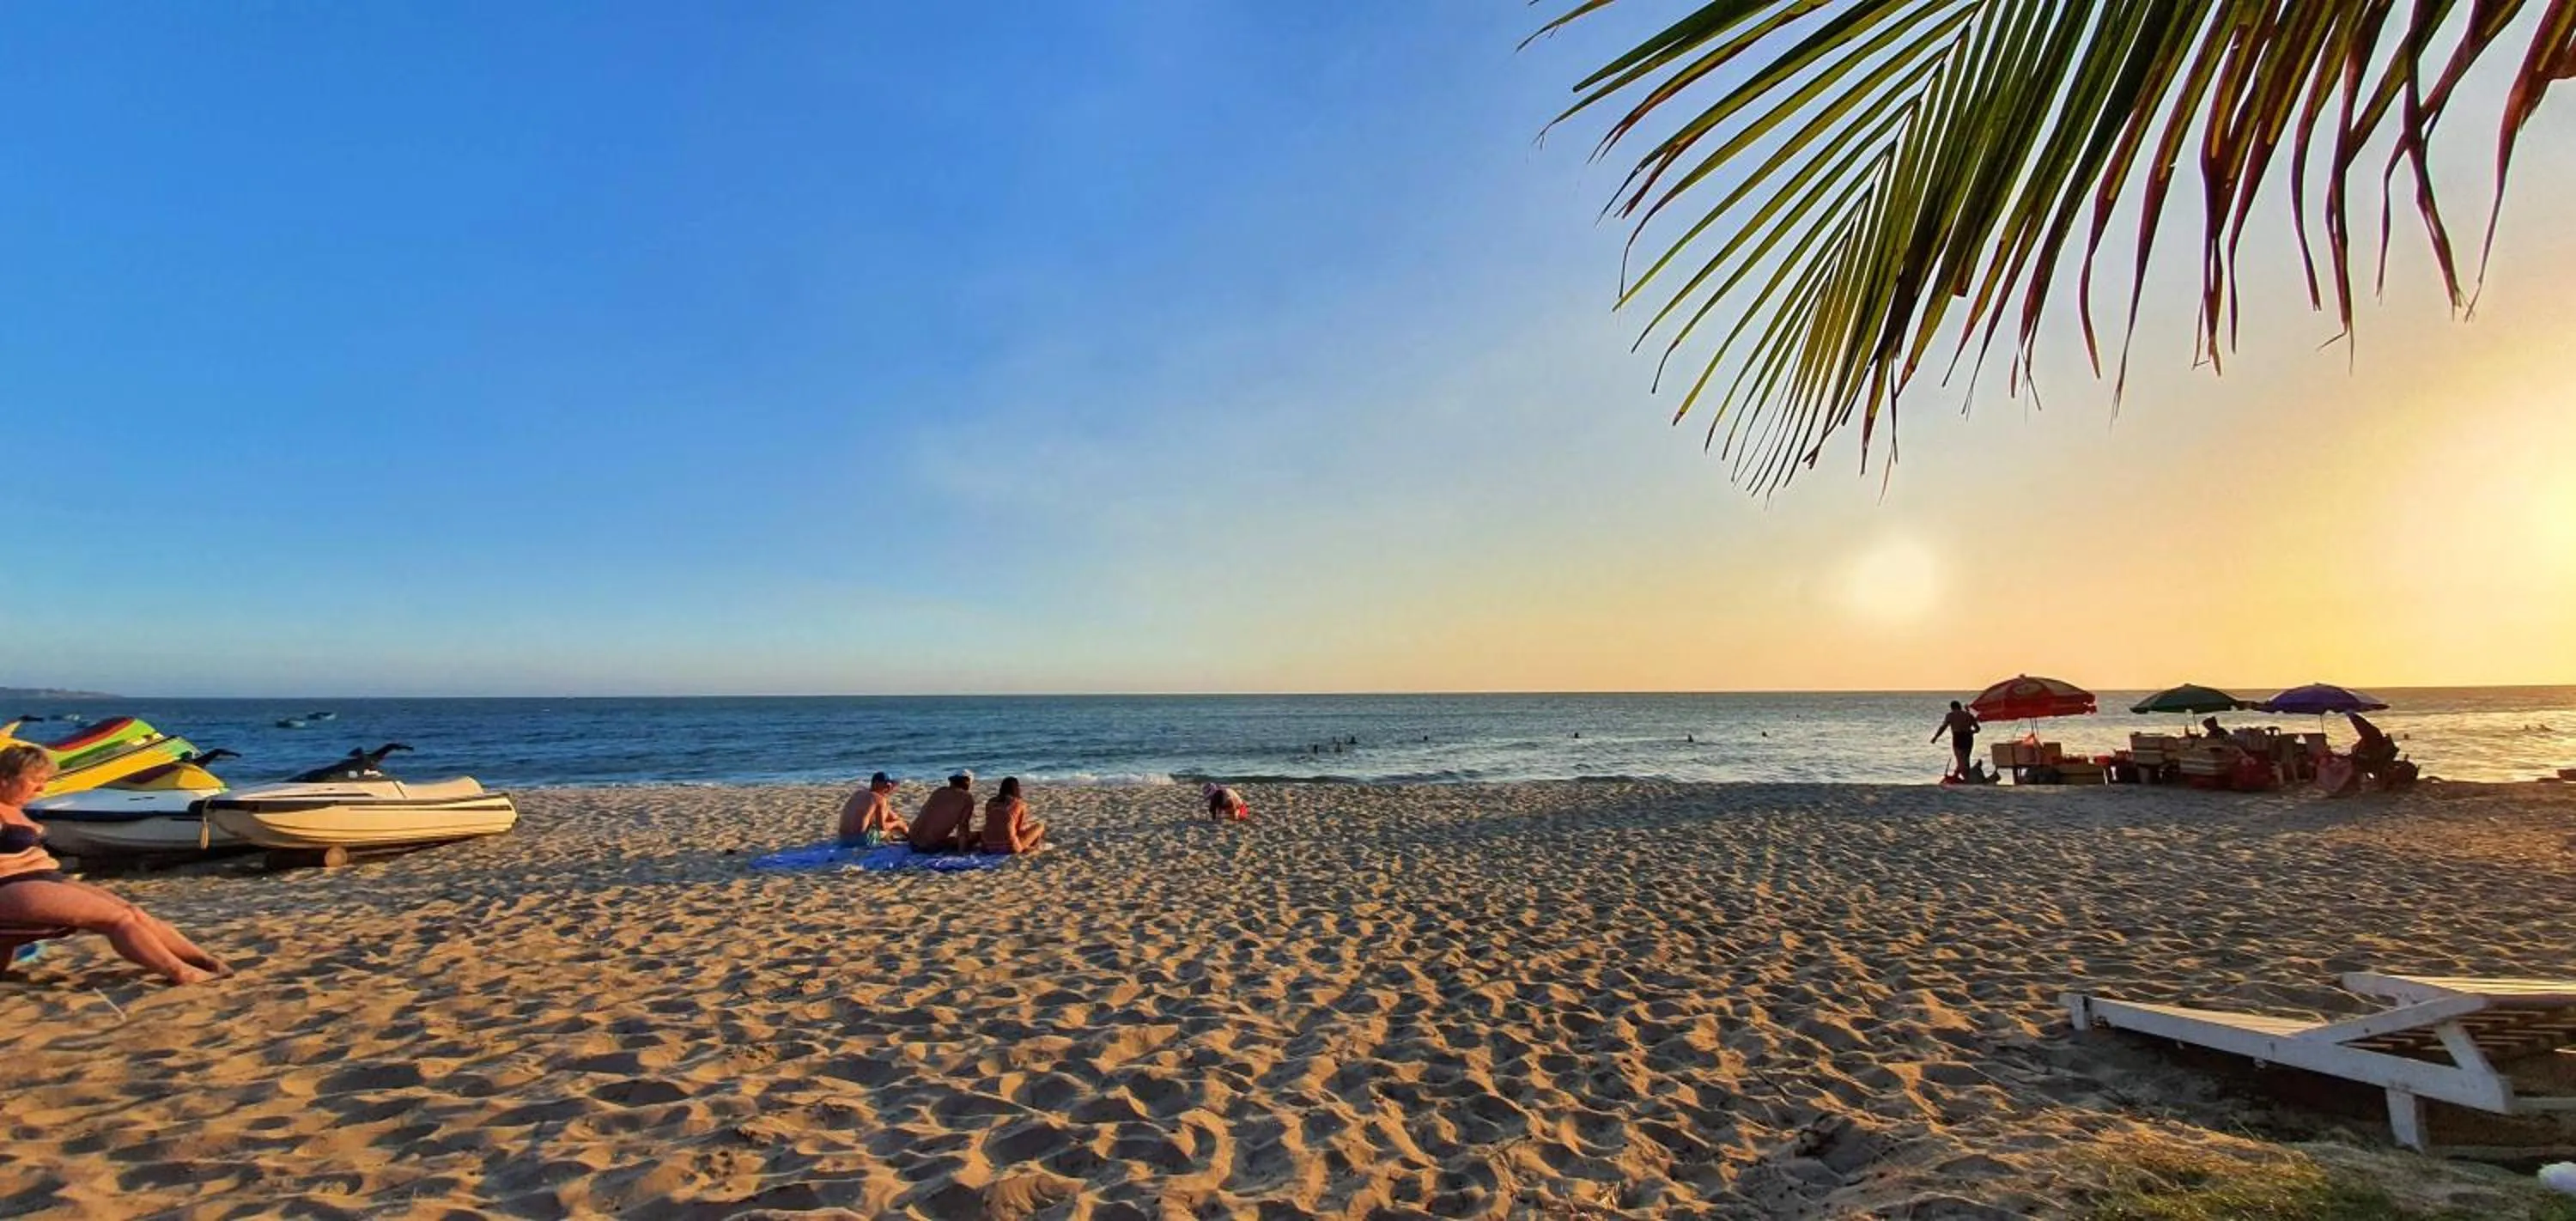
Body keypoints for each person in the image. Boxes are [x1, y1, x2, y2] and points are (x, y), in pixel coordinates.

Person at [0, 744, 230, 986]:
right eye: (34, 780)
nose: (41, 788)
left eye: (44, 781)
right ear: (5, 778)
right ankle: (182, 973)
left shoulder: (15, 807)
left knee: (134, 913)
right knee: (117, 919)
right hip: (11, 883)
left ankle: (203, 961)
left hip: (43, 877)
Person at [908, 771, 979, 853]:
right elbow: (963, 827)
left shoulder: (939, 791)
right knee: (977, 836)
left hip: (912, 841)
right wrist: (961, 852)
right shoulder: (966, 797)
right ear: (968, 782)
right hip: (928, 847)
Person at [835, 771, 907, 847]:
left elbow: (891, 815)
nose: (889, 788)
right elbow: (882, 827)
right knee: (894, 826)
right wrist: (898, 824)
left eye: (890, 786)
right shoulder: (879, 799)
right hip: (861, 841)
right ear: (876, 784)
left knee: (889, 822)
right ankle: (911, 839)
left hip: (842, 840)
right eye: (887, 786)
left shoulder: (858, 794)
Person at [980, 777, 1047, 854]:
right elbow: (1019, 829)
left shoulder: (990, 803)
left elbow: (991, 822)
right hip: (1010, 847)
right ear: (1017, 788)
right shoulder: (1020, 804)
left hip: (986, 847)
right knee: (1040, 826)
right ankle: (1032, 848)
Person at [1932, 701, 1981, 780]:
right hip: (1968, 738)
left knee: (1961, 759)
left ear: (1952, 708)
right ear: (1959, 706)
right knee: (1965, 758)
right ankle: (1957, 774)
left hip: (1958, 738)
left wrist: (1935, 737)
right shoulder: (1968, 715)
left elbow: (1943, 727)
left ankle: (1967, 778)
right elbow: (1978, 729)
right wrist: (1972, 732)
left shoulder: (1950, 715)